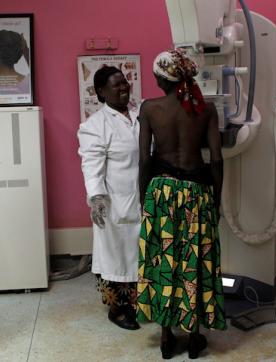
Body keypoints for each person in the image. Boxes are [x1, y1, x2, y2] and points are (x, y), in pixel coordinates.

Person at [136, 49, 227, 359]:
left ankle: (165, 337)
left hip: (161, 193)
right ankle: (194, 336)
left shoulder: (150, 109)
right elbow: (216, 159)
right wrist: (216, 200)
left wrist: (142, 200)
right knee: (194, 260)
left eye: (156, 77)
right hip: (196, 193)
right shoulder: (207, 110)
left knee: (163, 260)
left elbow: (144, 160)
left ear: (163, 79)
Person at [78, 66, 141, 330]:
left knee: (140, 255)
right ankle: (117, 309)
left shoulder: (141, 115)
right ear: (101, 92)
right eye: (116, 85)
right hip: (114, 204)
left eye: (125, 82)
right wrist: (97, 199)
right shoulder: (94, 126)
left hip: (143, 199)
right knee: (117, 258)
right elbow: (91, 166)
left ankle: (141, 305)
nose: (123, 87)